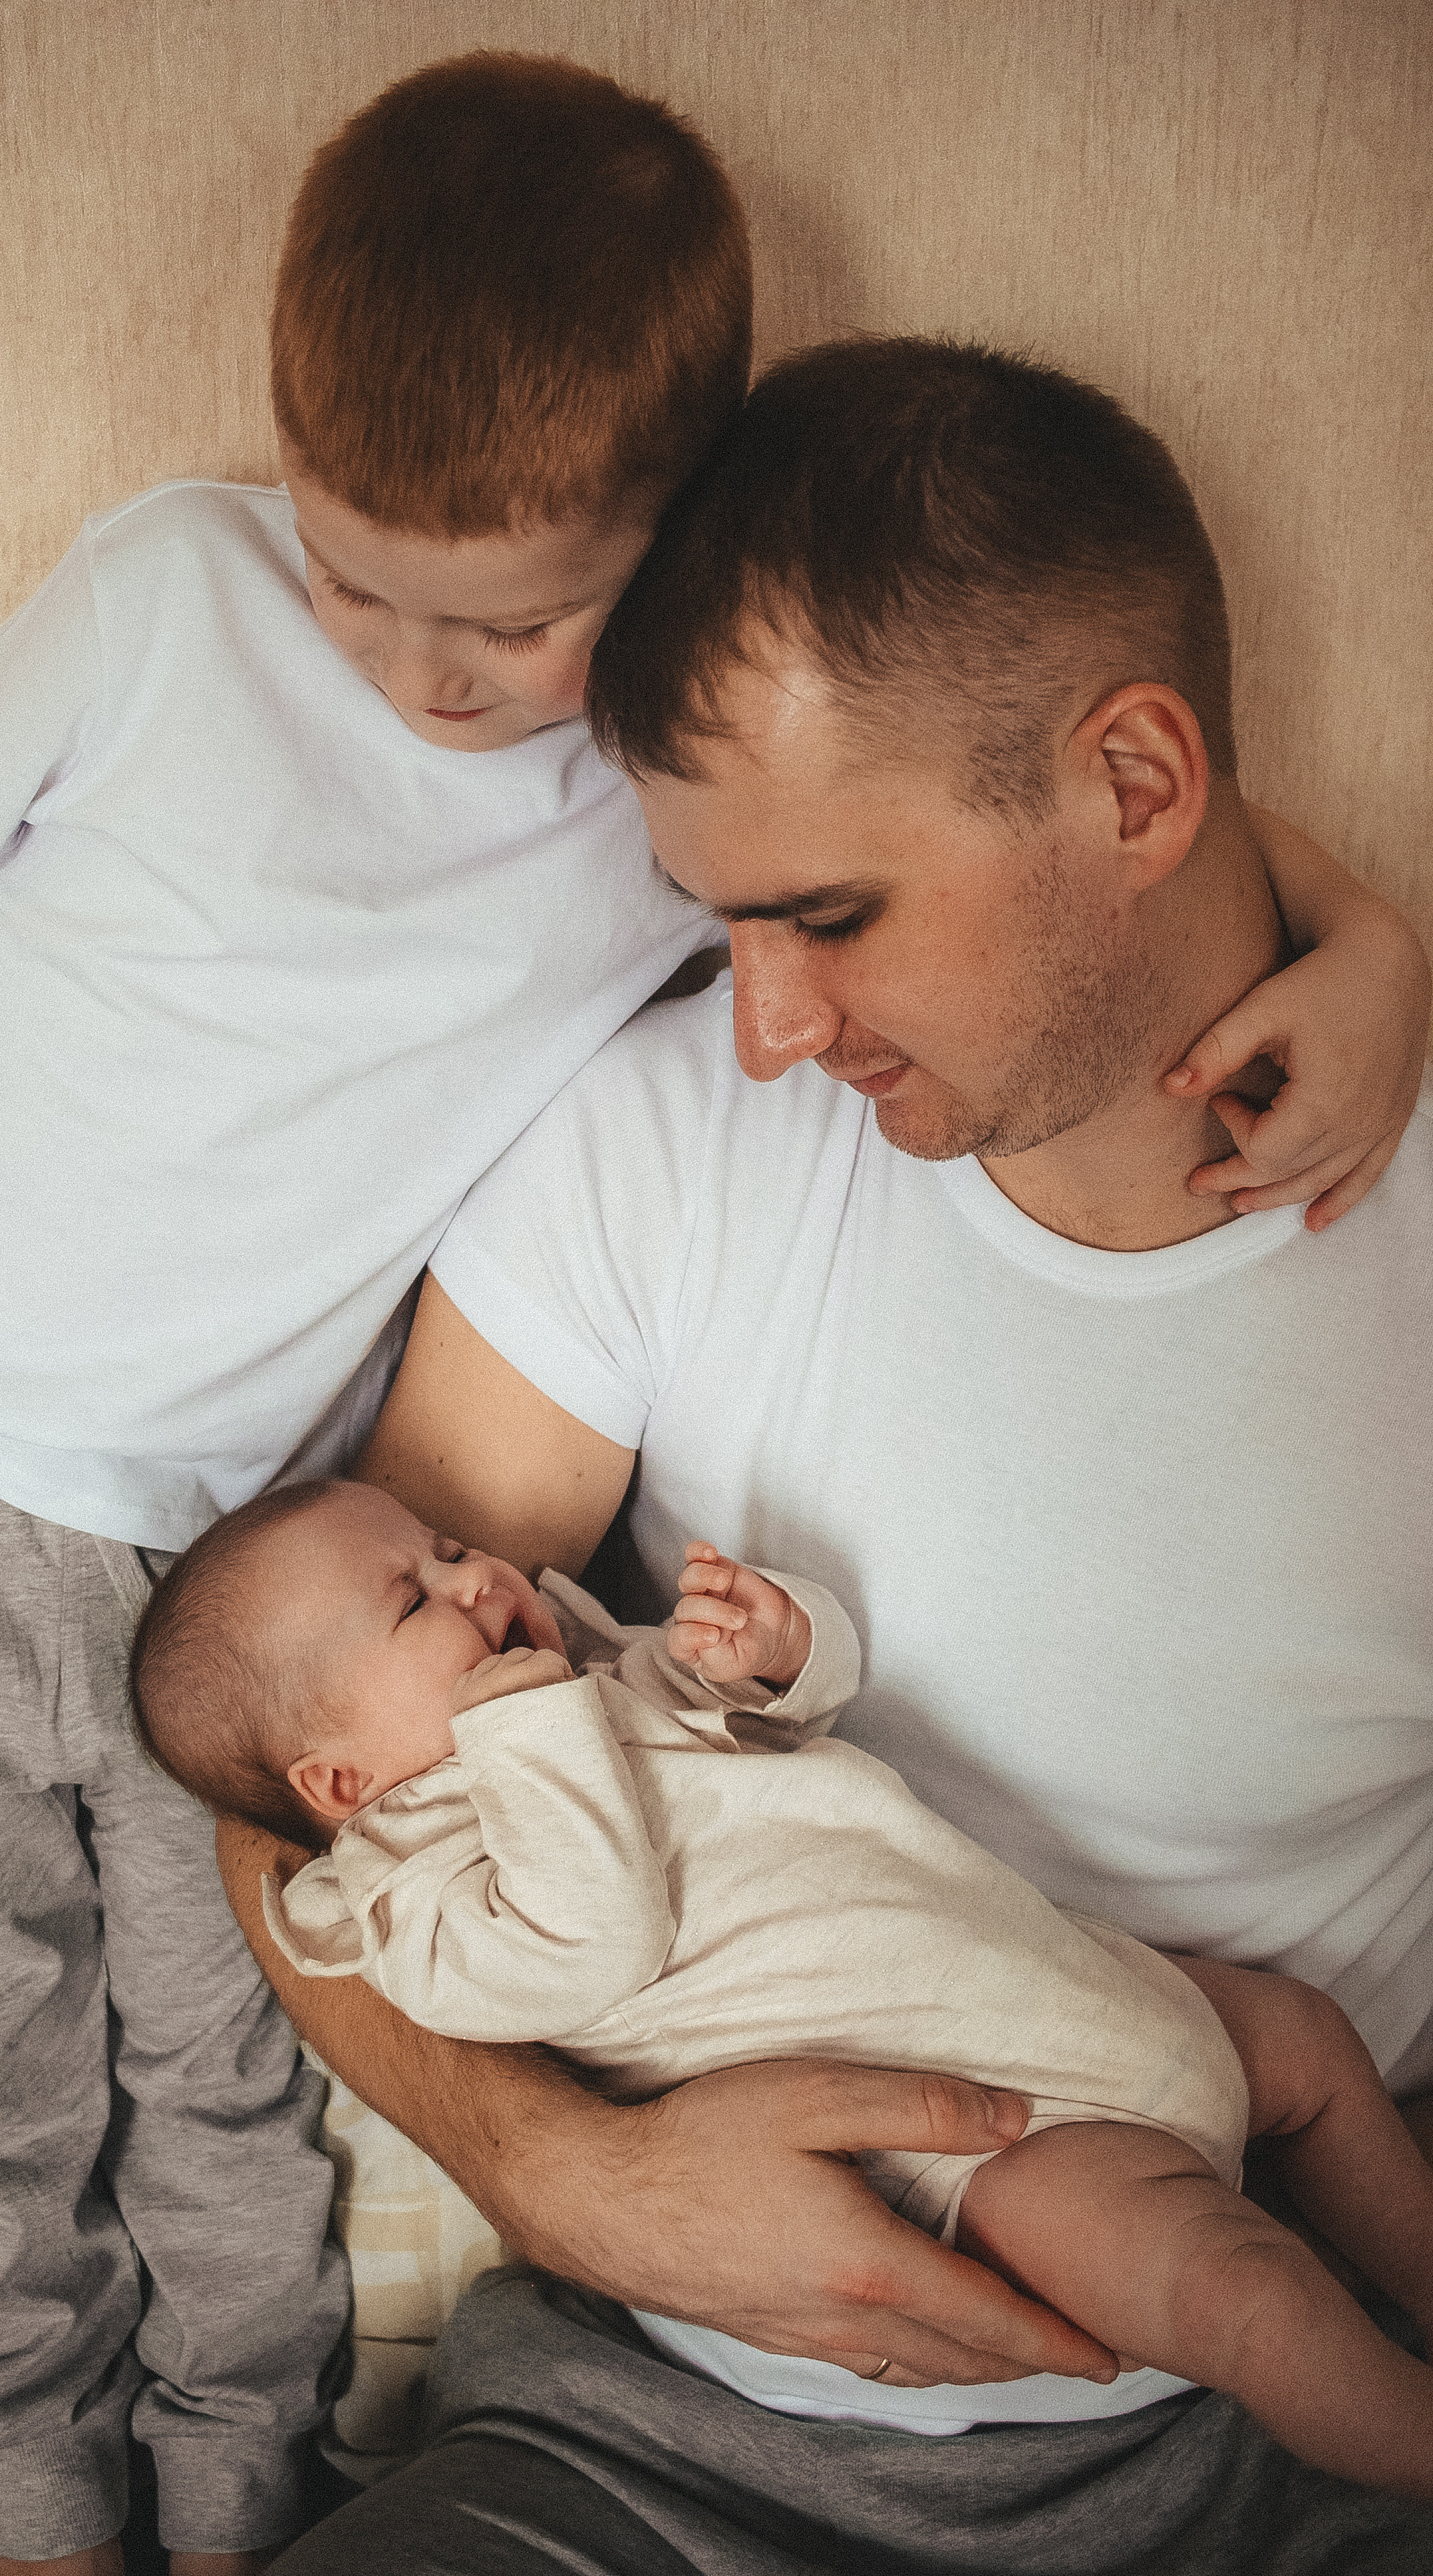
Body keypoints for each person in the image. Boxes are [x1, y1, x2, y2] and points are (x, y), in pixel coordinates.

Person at [216, 342, 1433, 2572]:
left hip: (1278, 2415)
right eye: (723, 924)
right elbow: (287, 1769)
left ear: (1139, 784)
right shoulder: (653, 1164)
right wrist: (563, 2172)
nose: (766, 1027)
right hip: (655, 2444)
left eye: (834, 916)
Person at [0, 54, 759, 2576]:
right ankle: (42, 2493)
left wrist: (1365, 947)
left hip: (239, 1567)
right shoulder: (166, 589)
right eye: (360, 579)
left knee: (233, 2041)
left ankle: (234, 2491)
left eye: (513, 619)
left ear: (678, 533)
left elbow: (998, 786)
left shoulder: (678, 782)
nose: (423, 665)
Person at [132, 1476, 1433, 2504]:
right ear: (343, 1787)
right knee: (1238, 2289)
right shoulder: (416, 1909)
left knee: (1307, 2044)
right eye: (416, 1603)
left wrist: (776, 1650)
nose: (475, 1578)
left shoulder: (595, 1687)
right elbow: (592, 1939)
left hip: (1070, 1981)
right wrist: (530, 1728)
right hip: (996, 2136)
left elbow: (783, 1725)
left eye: (450, 1545)